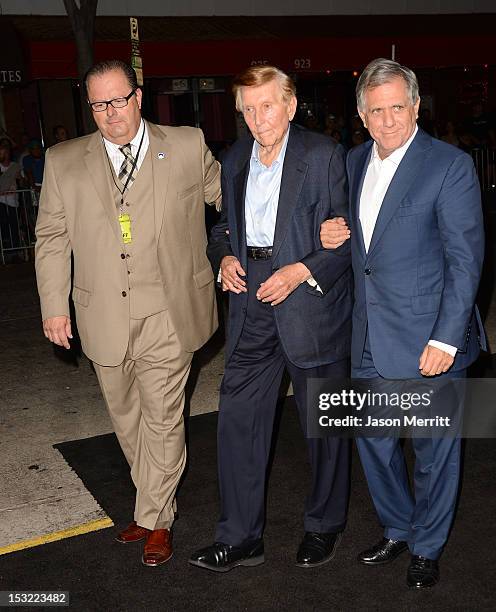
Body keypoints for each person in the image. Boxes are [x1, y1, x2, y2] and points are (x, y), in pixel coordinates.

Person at [34, 59, 221, 567]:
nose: (110, 112)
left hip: (170, 309)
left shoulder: (185, 145)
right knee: (126, 418)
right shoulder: (64, 161)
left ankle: (157, 520)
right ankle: (152, 502)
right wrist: (54, 306)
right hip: (102, 315)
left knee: (162, 418)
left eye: (118, 100)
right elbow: (51, 238)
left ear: (138, 96)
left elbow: (233, 200)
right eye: (98, 104)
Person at [320, 58, 486, 589]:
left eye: (398, 107)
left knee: (435, 452)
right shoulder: (350, 162)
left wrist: (446, 337)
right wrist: (331, 231)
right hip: (367, 333)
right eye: (377, 110)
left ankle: (428, 546)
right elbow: (360, 241)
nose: (388, 120)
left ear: (416, 106)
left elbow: (465, 262)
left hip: (427, 337)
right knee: (373, 440)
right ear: (362, 115)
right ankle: (398, 526)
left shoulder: (449, 165)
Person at [189, 65, 352, 573]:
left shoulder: (324, 156)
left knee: (323, 428)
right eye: (249, 107)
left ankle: (324, 526)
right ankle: (240, 537)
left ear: (291, 105)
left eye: (268, 105)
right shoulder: (234, 158)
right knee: (238, 421)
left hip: (307, 301)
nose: (259, 117)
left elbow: (350, 238)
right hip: (250, 304)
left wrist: (300, 269)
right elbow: (220, 229)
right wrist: (225, 258)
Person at [0, 142, 22, 260]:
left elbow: (21, 179)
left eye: (6, 151)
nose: (4, 154)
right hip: (1, 202)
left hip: (13, 201)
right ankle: (7, 252)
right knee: (4, 226)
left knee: (14, 226)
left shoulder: (14, 166)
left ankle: (16, 251)